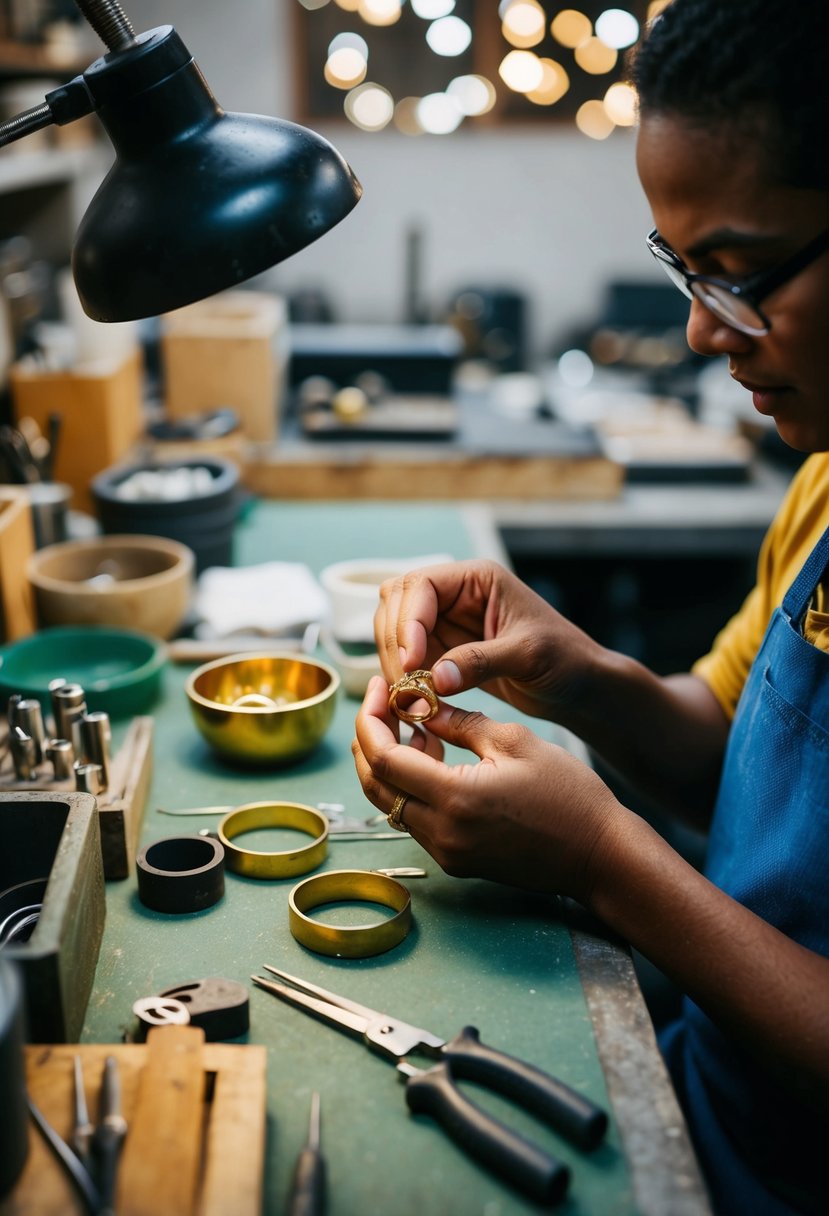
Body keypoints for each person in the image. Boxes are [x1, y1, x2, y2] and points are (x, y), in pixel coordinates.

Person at [351, 2, 829, 1213]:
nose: (697, 331)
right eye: (683, 270)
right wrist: (573, 676)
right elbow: (731, 751)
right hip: (704, 1103)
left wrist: (603, 861)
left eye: (738, 274)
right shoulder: (826, 486)